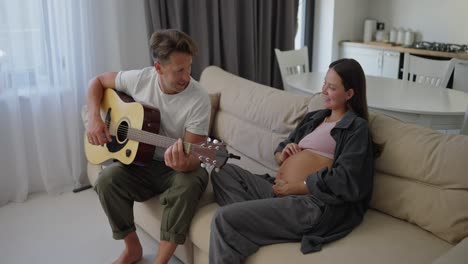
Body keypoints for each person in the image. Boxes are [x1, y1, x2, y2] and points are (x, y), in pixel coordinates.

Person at [209, 58, 377, 263]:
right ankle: (255, 222)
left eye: (331, 87)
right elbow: (282, 148)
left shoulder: (355, 128)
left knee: (224, 218)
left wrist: (297, 187)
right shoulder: (315, 118)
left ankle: (246, 224)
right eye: (324, 83)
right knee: (222, 171)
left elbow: (346, 180)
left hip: (310, 204)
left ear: (349, 94)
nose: (323, 90)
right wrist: (284, 154)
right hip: (277, 190)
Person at [86, 29, 211, 264]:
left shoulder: (199, 99)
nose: (187, 76)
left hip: (176, 167)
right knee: (106, 181)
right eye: (179, 70)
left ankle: (160, 261)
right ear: (158, 68)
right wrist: (94, 117)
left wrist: (185, 163)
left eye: (189, 67)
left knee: (190, 183)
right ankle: (132, 249)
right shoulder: (141, 79)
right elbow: (98, 81)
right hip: (142, 162)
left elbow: (194, 156)